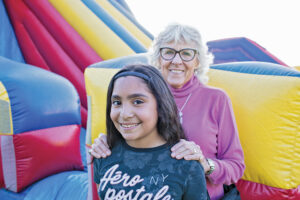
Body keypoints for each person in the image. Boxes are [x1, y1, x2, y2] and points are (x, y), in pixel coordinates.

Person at [91, 23, 245, 200]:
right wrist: (107, 142)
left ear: (197, 61)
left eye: (187, 53)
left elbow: (236, 167)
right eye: (169, 52)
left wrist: (204, 164)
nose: (177, 61)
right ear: (158, 59)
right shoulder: (141, 97)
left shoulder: (217, 99)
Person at [93, 64, 209, 199]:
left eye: (137, 101)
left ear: (161, 105)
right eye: (117, 102)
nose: (125, 114)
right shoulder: (104, 153)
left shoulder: (186, 164)